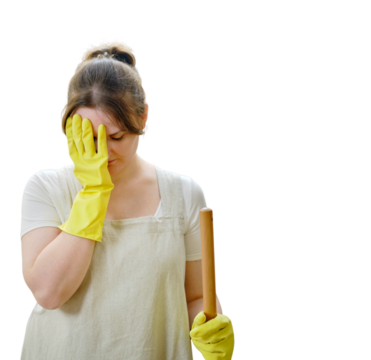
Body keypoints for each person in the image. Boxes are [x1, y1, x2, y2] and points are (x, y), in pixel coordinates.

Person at [19, 38, 234, 359]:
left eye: (117, 136)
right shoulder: (45, 187)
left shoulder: (184, 193)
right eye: (90, 138)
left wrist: (209, 327)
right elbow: (49, 293)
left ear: (144, 116)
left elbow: (194, 297)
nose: (104, 152)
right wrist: (94, 193)